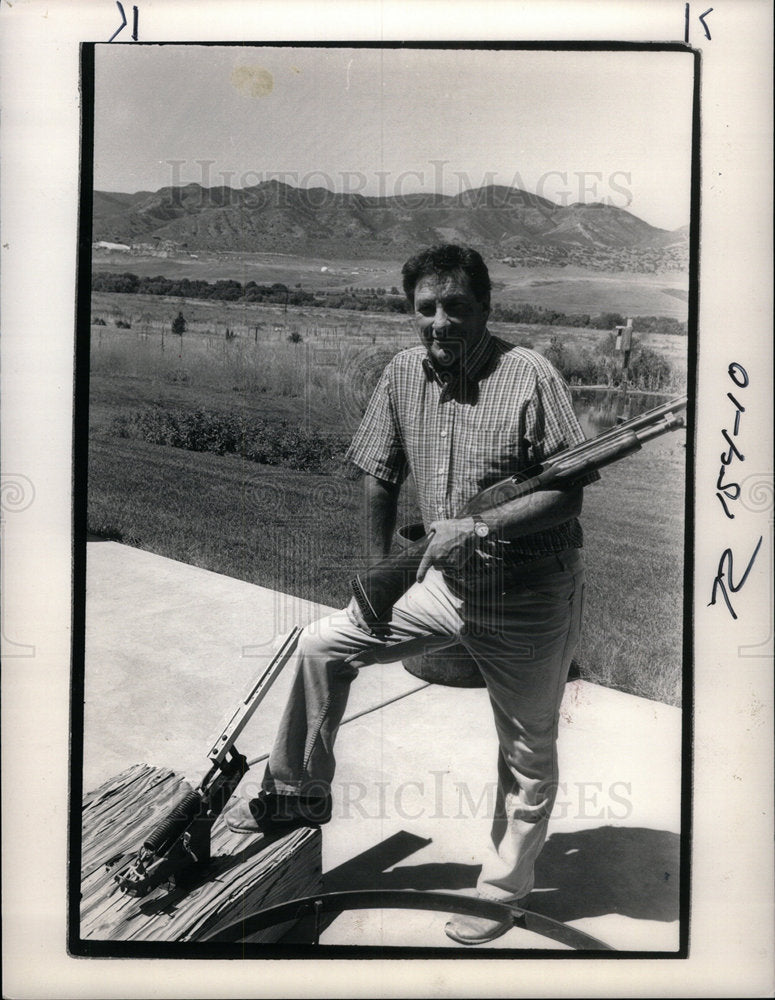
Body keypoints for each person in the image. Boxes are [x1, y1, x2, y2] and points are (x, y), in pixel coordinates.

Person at [225, 244, 598, 945]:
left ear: (485, 308)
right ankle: (297, 797)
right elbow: (378, 473)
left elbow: (566, 493)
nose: (438, 322)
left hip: (528, 596)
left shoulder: (529, 376)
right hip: (441, 585)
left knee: (525, 752)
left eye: (455, 306)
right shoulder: (401, 373)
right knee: (319, 645)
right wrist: (380, 581)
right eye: (424, 308)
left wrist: (480, 521)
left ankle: (498, 895)